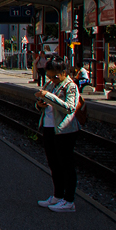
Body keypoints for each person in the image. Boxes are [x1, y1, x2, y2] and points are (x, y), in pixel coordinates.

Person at [35, 59, 80, 212]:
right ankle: (57, 195)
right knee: (54, 164)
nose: (51, 79)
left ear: (63, 73)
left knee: (66, 164)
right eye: (49, 76)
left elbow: (69, 108)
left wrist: (48, 96)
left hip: (64, 130)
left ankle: (69, 200)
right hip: (49, 127)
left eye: (54, 76)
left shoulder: (70, 86)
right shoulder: (50, 85)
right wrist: (39, 104)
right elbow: (44, 104)